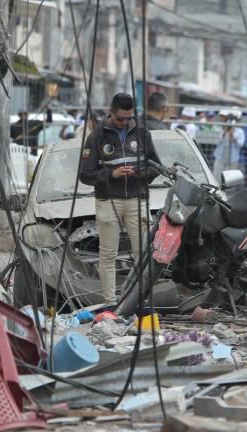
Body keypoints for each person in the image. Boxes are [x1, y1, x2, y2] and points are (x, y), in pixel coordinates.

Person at [79, 93, 163, 305]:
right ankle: (110, 302)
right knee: (107, 254)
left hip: (137, 200)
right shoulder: (97, 136)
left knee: (143, 255)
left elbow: (156, 167)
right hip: (109, 200)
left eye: (129, 118)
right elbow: (85, 175)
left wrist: (139, 173)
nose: (125, 123)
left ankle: (138, 302)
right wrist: (111, 175)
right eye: (121, 119)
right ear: (111, 112)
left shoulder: (142, 132)